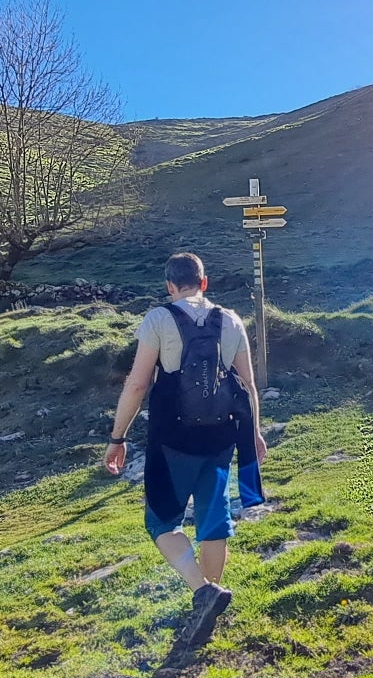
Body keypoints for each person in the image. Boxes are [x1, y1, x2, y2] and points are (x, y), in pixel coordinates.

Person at [104, 253, 266, 646]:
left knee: (160, 522)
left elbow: (139, 384)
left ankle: (203, 592)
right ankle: (210, 599)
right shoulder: (231, 320)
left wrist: (117, 437)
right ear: (204, 282)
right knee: (213, 520)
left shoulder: (158, 319)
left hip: (171, 439)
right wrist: (255, 434)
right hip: (220, 437)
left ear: (170, 287)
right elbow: (248, 385)